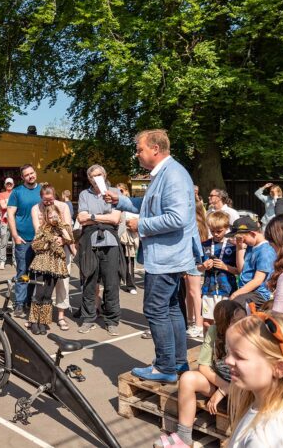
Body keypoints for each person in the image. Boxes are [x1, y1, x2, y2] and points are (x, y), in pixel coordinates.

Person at [105, 129, 198, 382]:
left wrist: (141, 225)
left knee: (156, 309)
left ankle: (166, 367)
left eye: (140, 149)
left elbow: (177, 218)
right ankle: (178, 363)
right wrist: (121, 200)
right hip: (168, 256)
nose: (137, 154)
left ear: (155, 149)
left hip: (166, 257)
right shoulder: (164, 174)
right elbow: (149, 205)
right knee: (171, 309)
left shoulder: (173, 175)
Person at [153, 300, 245, 447]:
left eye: (244, 318)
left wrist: (224, 391)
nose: (243, 323)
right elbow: (203, 366)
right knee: (187, 378)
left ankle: (240, 438)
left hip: (243, 388)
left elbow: (249, 375)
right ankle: (184, 436)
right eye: (236, 321)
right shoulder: (214, 331)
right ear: (223, 323)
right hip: (221, 382)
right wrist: (224, 387)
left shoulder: (249, 334)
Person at [225, 313, 283, 448]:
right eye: (228, 352)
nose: (227, 360)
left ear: (279, 368)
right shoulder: (262, 411)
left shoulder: (262, 439)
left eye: (239, 356)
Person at [77, 165, 122, 335]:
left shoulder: (114, 192)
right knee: (89, 281)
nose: (97, 178)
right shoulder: (84, 195)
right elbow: (81, 219)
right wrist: (103, 218)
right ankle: (88, 318)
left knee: (111, 282)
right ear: (89, 179)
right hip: (89, 242)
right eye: (93, 176)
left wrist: (92, 217)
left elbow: (115, 218)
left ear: (105, 175)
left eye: (100, 175)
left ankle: (111, 320)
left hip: (110, 242)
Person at [31, 184, 75, 330]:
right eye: (45, 200)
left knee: (59, 287)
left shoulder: (62, 207)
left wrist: (62, 238)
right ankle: (34, 320)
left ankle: (50, 319)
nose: (48, 203)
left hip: (59, 257)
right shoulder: (36, 209)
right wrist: (47, 242)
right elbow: (37, 234)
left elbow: (69, 230)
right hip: (44, 259)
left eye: (50, 200)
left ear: (55, 196)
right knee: (40, 292)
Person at [7, 165, 42, 318]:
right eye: (26, 175)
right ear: (22, 178)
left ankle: (32, 301)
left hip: (40, 239)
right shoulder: (17, 192)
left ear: (35, 173)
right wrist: (15, 235)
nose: (30, 176)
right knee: (23, 271)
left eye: (32, 173)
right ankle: (19, 304)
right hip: (23, 239)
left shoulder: (43, 190)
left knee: (38, 273)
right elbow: (10, 214)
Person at [198, 212, 238, 328]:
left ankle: (223, 345)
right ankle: (208, 346)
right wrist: (203, 266)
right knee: (206, 323)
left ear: (226, 228)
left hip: (227, 290)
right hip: (208, 289)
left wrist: (225, 267)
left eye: (219, 231)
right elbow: (197, 268)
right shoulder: (204, 245)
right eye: (212, 231)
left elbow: (239, 271)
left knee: (225, 322)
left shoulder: (232, 246)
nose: (215, 234)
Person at [227, 216, 277, 309]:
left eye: (242, 238)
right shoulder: (251, 246)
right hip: (248, 291)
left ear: (253, 233)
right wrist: (239, 248)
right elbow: (241, 269)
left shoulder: (265, 251)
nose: (242, 241)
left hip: (260, 294)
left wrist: (236, 294)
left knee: (236, 305)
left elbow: (258, 280)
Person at [185, 199, 212, 339]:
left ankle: (199, 325)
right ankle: (191, 321)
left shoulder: (195, 223)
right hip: (191, 260)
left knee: (194, 292)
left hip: (193, 260)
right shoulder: (200, 222)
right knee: (190, 293)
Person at [0, 178, 14, 270]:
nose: (9, 185)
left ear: (13, 184)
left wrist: (8, 204)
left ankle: (15, 261)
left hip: (15, 221)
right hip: (5, 221)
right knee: (3, 242)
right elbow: (3, 206)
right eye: (7, 184)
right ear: (5, 185)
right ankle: (2, 261)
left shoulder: (16, 193)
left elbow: (6, 205)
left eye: (10, 184)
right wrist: (14, 205)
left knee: (16, 243)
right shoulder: (1, 194)